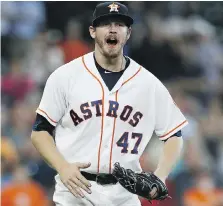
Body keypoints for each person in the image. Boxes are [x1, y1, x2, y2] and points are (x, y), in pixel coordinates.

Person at [31, 2, 188, 205]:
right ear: (93, 31)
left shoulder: (148, 84)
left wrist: (160, 176)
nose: (113, 29)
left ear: (128, 33)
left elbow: (174, 135)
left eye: (120, 25)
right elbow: (40, 132)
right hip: (75, 191)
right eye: (105, 24)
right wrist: (62, 166)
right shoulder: (65, 76)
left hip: (124, 195)